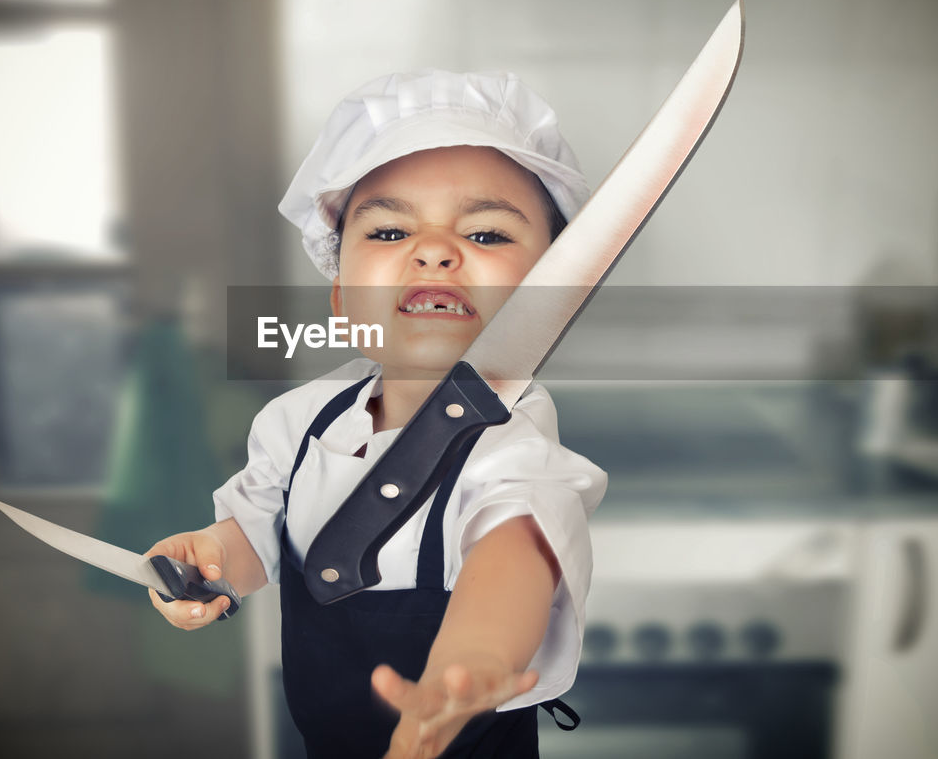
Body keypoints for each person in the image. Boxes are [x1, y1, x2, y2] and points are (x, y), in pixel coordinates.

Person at [147, 69, 607, 758]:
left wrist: (475, 659)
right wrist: (210, 562)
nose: (433, 249)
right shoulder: (296, 421)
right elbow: (257, 529)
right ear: (339, 298)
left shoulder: (512, 441)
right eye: (390, 232)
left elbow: (514, 552)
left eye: (485, 235)